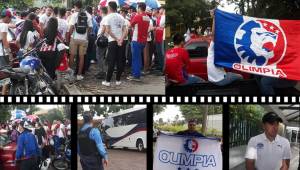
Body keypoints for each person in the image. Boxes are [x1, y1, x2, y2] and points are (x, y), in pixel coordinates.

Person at [101, 1, 127, 86]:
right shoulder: (121, 17)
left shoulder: (108, 17)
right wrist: (121, 39)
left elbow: (108, 30)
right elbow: (125, 30)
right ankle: (118, 80)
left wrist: (116, 39)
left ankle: (107, 81)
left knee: (111, 61)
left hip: (112, 41)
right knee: (120, 60)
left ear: (109, 8)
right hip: (120, 42)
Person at [68, 0, 93, 81]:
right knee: (81, 57)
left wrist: (70, 36)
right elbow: (90, 27)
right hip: (84, 39)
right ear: (81, 6)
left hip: (74, 38)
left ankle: (70, 75)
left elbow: (71, 27)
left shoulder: (74, 15)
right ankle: (79, 75)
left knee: (72, 55)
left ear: (75, 6)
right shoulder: (88, 15)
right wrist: (86, 36)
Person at [127, 3, 150, 82]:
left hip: (136, 39)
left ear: (139, 8)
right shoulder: (147, 17)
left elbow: (130, 25)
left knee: (136, 58)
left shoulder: (138, 16)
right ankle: (136, 73)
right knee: (138, 57)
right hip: (143, 40)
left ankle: (136, 75)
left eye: (137, 8)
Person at [0, 9, 13, 95]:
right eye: (10, 18)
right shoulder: (4, 25)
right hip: (2, 53)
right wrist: (9, 53)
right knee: (6, 74)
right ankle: (4, 94)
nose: (10, 20)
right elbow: (4, 40)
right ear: (7, 17)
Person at [95, 6, 108, 80]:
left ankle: (101, 72)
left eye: (99, 11)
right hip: (105, 39)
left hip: (102, 39)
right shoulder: (106, 18)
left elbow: (103, 28)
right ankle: (102, 71)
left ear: (101, 11)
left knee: (99, 56)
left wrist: (99, 37)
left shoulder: (105, 19)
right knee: (101, 56)